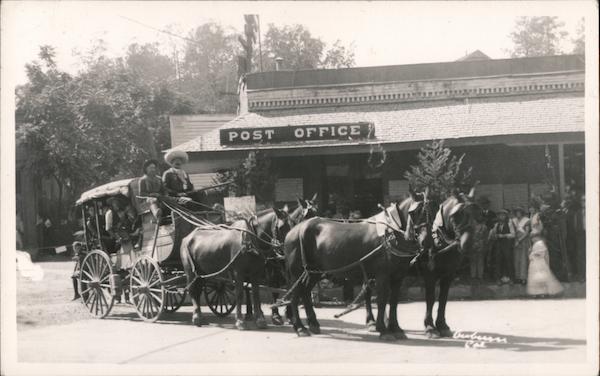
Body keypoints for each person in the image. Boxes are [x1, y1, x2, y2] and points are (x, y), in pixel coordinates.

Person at [526, 200, 564, 297]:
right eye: (529, 207)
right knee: (535, 266)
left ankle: (543, 291)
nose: (530, 209)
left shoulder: (538, 216)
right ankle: (538, 291)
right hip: (533, 242)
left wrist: (535, 233)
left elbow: (541, 229)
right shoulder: (532, 216)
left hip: (539, 242)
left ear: (535, 208)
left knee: (541, 265)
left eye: (531, 207)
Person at [489, 209, 516, 284]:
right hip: (498, 245)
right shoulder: (496, 225)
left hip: (507, 245)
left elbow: (513, 235)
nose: (501, 217)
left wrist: (504, 235)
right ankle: (498, 279)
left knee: (509, 261)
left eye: (503, 215)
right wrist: (493, 235)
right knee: (498, 261)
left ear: (505, 216)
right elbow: (493, 234)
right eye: (500, 215)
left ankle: (511, 279)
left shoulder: (509, 223)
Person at [512, 207, 531, 285]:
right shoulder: (514, 220)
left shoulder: (526, 220)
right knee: (517, 259)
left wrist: (519, 240)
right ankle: (518, 277)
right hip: (516, 240)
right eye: (516, 212)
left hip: (523, 241)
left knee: (524, 259)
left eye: (519, 212)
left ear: (522, 213)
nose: (518, 213)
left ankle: (524, 278)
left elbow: (526, 232)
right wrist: (516, 240)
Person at [469, 216, 489, 282]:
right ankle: (478, 276)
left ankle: (475, 276)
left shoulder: (482, 227)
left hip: (477, 245)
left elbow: (486, 237)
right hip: (478, 245)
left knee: (476, 261)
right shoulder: (483, 227)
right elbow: (486, 238)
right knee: (478, 261)